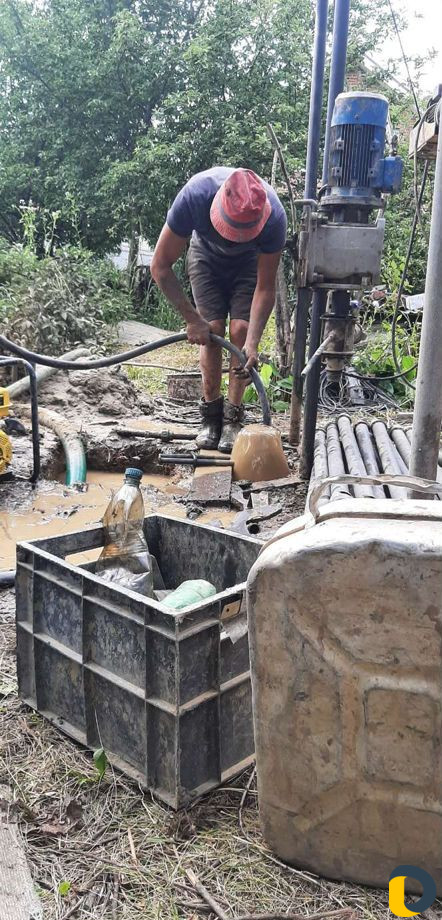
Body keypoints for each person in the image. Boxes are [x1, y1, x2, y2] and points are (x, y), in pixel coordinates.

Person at [150, 167, 287, 452]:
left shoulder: (274, 216)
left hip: (249, 263)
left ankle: (233, 417)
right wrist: (191, 319)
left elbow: (265, 288)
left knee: (241, 330)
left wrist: (253, 343)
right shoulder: (195, 195)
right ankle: (210, 414)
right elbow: (160, 266)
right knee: (211, 330)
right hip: (205, 256)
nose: (233, 239)